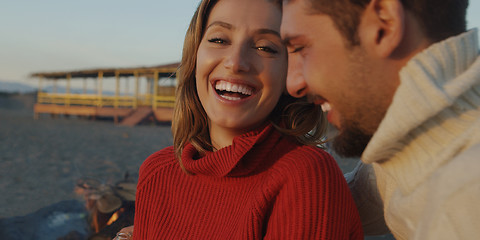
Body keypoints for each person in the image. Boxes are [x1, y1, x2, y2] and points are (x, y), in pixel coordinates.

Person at [126, 0, 364, 239]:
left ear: (290, 73)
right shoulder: (156, 172)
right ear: (195, 55)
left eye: (266, 48)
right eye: (219, 40)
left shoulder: (305, 177)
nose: (236, 62)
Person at [280, 0, 480, 239]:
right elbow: (333, 207)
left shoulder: (465, 197)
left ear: (385, 24)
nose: (293, 84)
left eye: (301, 47)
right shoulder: (404, 153)